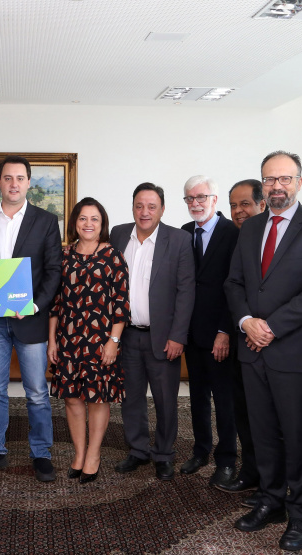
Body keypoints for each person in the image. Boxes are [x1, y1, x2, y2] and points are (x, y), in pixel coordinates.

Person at [224, 151, 302, 551]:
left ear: (299, 182)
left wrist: (270, 327)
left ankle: (300, 512)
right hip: (252, 350)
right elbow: (234, 283)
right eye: (270, 179)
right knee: (262, 433)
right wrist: (246, 322)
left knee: (296, 437)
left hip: (295, 353)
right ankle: (271, 500)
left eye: (285, 179)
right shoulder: (252, 227)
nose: (277, 186)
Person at [0, 155, 63, 481]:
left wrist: (36, 305)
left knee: (37, 391)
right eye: (7, 178)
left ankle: (41, 453)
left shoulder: (46, 221)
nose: (14, 184)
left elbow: (54, 271)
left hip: (30, 319)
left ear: (28, 182)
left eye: (20, 178)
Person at [111, 183, 195, 481]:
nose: (144, 212)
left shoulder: (179, 240)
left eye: (151, 206)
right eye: (139, 206)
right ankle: (137, 450)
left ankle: (164, 453)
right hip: (127, 335)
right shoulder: (118, 235)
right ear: (133, 207)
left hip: (163, 337)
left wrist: (178, 336)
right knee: (131, 397)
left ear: (162, 209)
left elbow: (186, 291)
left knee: (165, 400)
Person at [48, 197, 129, 483]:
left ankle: (94, 455)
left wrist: (113, 342)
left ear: (102, 223)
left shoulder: (113, 255)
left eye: (94, 219)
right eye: (83, 218)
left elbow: (121, 304)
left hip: (100, 340)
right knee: (72, 398)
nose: (88, 224)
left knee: (96, 398)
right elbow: (55, 303)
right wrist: (52, 341)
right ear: (74, 223)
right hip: (68, 338)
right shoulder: (63, 255)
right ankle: (79, 454)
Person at [178, 176, 240, 485]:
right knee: (197, 397)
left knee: (224, 400)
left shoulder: (233, 233)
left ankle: (227, 459)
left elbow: (235, 287)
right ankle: (201, 450)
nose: (195, 203)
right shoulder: (184, 232)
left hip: (219, 333)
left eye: (201, 197)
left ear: (214, 199)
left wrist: (224, 331)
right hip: (192, 333)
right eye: (190, 198)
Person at [217, 179, 266, 498]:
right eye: (233, 205)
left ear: (262, 204)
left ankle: (274, 484)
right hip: (241, 341)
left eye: (245, 204)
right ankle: (250, 473)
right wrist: (242, 325)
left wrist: (259, 328)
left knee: (268, 421)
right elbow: (231, 288)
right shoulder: (239, 238)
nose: (238, 211)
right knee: (244, 413)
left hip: (269, 341)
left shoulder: (273, 238)